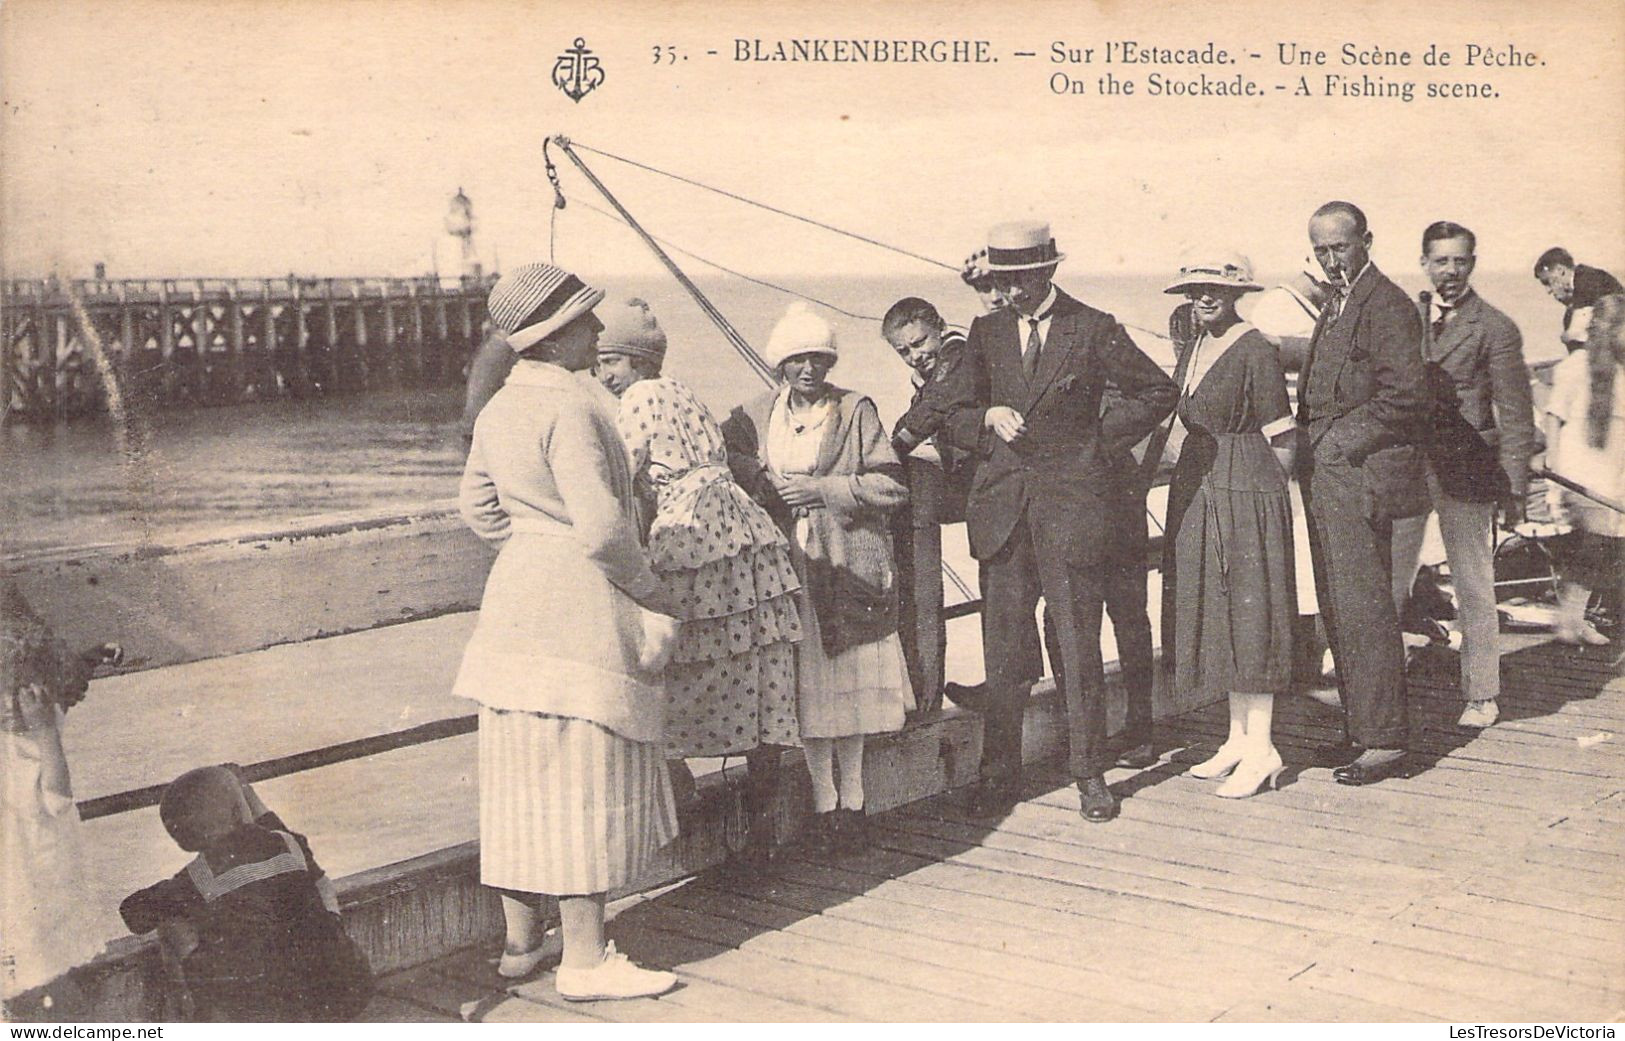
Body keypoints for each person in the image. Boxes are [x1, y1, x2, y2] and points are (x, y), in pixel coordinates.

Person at [453, 263, 681, 1001]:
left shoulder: (496, 410)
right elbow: (605, 527)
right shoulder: (575, 410)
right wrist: (652, 589)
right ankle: (585, 958)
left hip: (516, 594)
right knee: (584, 768)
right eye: (585, 322)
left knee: (519, 772)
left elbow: (477, 510)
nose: (596, 331)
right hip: (578, 602)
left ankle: (521, 944)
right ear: (555, 338)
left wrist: (530, 538)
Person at [936, 220, 1178, 823]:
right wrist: (988, 416)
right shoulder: (987, 334)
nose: (1010, 292)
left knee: (1078, 646)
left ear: (1047, 271)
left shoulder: (1091, 328)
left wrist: (1093, 446)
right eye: (1002, 280)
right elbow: (954, 414)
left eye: (1020, 280)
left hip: (1073, 510)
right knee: (1004, 654)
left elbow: (1157, 391)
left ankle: (1088, 773)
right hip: (1003, 515)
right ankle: (998, 775)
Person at [593, 297, 804, 866]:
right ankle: (761, 833)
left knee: (669, 659)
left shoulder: (636, 400)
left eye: (609, 362)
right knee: (756, 667)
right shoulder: (682, 390)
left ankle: (675, 790)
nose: (602, 376)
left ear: (636, 362)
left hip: (692, 534)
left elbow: (620, 471)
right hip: (739, 528)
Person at [723, 302, 913, 855]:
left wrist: (825, 492)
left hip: (847, 563)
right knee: (803, 688)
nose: (809, 369)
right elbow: (724, 451)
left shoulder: (855, 410)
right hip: (788, 569)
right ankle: (822, 800)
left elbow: (891, 485)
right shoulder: (758, 414)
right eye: (798, 359)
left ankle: (851, 802)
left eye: (819, 358)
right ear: (780, 363)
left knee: (845, 684)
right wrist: (759, 476)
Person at [1297, 202, 1431, 786]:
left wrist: (1333, 444)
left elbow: (1405, 397)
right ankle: (1360, 727)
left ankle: (1384, 741)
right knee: (1340, 607)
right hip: (1332, 477)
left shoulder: (1389, 305)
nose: (1330, 260)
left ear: (1366, 242)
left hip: (1358, 474)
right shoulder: (1340, 300)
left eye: (1340, 248)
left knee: (1364, 607)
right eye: (1321, 251)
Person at [1159, 254, 1298, 798]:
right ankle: (1238, 738)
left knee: (1252, 613)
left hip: (1245, 490)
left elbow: (1283, 439)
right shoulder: (1196, 344)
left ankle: (1264, 748)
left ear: (1235, 291)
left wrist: (1264, 505)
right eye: (1194, 288)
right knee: (1220, 613)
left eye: (1214, 287)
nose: (1203, 297)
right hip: (1200, 489)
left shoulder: (1255, 348)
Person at [1390, 222, 1538, 728]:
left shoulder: (1494, 327)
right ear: (1425, 263)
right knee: (1391, 579)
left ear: (1472, 263)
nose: (1450, 271)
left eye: (1461, 261)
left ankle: (1481, 692)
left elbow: (1516, 414)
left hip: (1466, 468)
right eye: (1441, 261)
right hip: (1408, 468)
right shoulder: (1407, 319)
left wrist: (1514, 486)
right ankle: (1381, 688)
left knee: (1473, 583)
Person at [118, 765, 372, 1022]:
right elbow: (268, 824)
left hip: (265, 1009)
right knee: (316, 883)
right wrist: (244, 789)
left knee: (174, 921)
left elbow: (133, 915)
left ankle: (193, 1016)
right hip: (345, 987)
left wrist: (164, 897)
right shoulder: (288, 843)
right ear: (240, 810)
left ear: (181, 840)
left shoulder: (197, 877)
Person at [1, 580, 115, 1011]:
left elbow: (56, 798)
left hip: (29, 876)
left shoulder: (26, 736)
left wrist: (45, 730)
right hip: (34, 873)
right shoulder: (36, 722)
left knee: (33, 974)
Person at [1543, 297, 1625, 645]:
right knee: (1595, 549)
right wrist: (1553, 472)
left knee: (1601, 552)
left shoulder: (1620, 369)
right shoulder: (1577, 366)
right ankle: (1570, 621)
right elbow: (1553, 417)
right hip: (1581, 475)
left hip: (1612, 473)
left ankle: (1572, 619)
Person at [1533, 248, 1623, 344]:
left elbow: (1575, 333)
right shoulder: (1584, 280)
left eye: (1547, 282)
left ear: (1561, 271)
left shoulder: (1586, 279)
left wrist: (1566, 336)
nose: (1548, 290)